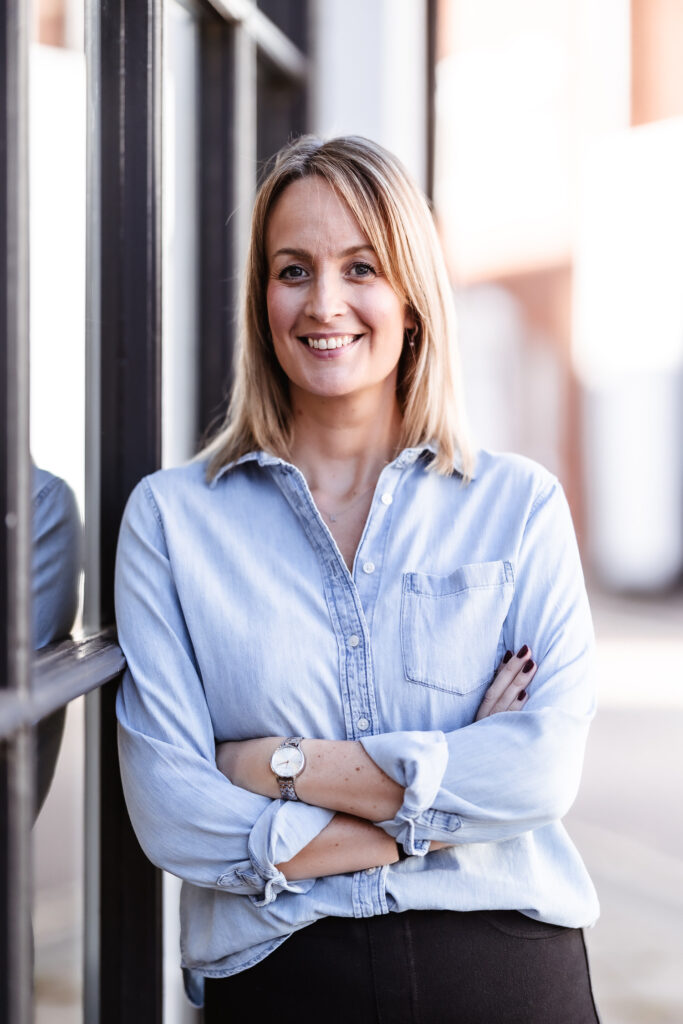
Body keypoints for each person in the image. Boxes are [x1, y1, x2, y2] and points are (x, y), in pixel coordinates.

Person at [115, 135, 600, 1022]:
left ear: (411, 299)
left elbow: (535, 777)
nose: (323, 303)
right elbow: (175, 814)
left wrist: (275, 765)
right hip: (283, 979)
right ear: (261, 298)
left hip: (499, 968)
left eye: (361, 268)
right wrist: (442, 796)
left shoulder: (518, 507)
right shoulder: (173, 523)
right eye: (293, 270)